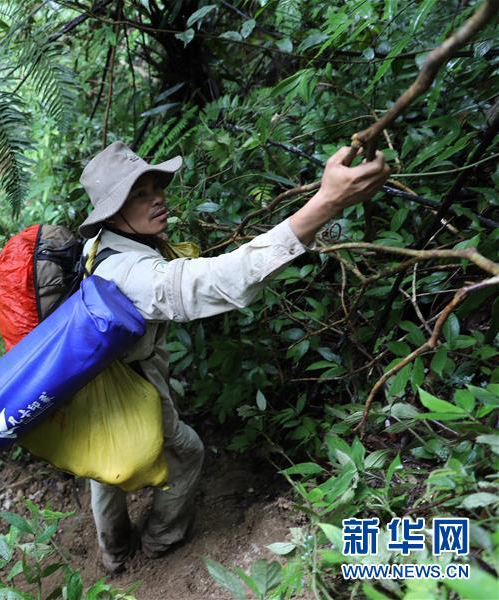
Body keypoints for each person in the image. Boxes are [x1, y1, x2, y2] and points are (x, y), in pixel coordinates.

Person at [77, 141, 390, 572]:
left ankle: (112, 551)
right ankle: (159, 543)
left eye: (155, 187)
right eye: (139, 194)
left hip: (89, 380)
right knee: (186, 452)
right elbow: (223, 280)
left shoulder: (98, 246)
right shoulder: (130, 274)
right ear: (112, 212)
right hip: (131, 382)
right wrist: (326, 202)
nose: (158, 198)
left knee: (100, 465)